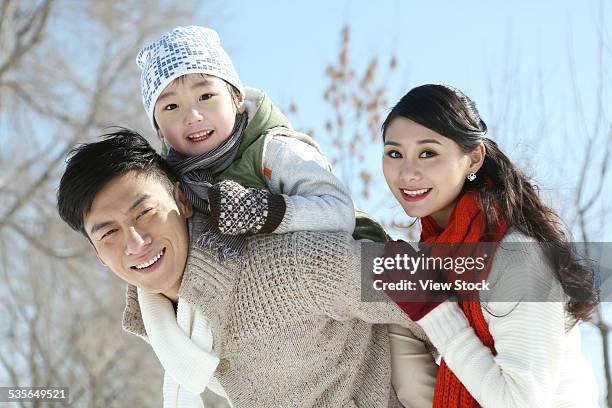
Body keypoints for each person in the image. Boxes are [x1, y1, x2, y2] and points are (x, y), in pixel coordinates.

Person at [56, 130, 437, 408]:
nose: (136, 242)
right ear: (97, 254)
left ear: (181, 200)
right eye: (109, 233)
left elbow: (439, 278)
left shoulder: (281, 266)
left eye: (145, 212)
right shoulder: (165, 328)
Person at [380, 84, 599, 407]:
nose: (407, 172)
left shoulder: (514, 259)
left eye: (428, 153)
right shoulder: (444, 249)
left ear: (473, 159)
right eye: (394, 153)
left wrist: (433, 309)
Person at [136, 25, 387, 264]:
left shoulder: (273, 150)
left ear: (237, 98)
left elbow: (339, 212)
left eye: (205, 96)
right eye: (171, 106)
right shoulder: (173, 185)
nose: (192, 116)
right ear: (158, 128)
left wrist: (262, 211)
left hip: (366, 263)